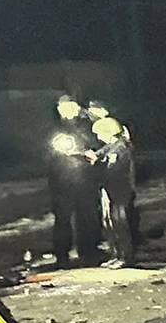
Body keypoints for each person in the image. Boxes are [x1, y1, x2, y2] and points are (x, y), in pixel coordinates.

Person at [46, 94, 102, 265]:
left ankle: (89, 251)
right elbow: (46, 153)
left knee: (87, 216)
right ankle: (62, 254)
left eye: (71, 107)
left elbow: (96, 144)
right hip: (61, 180)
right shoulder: (53, 128)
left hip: (85, 178)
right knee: (63, 218)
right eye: (64, 108)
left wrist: (87, 152)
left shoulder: (87, 125)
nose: (69, 111)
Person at [91, 116, 136, 266]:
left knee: (119, 223)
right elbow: (100, 154)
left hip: (119, 190)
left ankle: (125, 257)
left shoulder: (120, 148)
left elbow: (113, 170)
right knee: (109, 223)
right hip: (109, 190)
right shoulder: (110, 147)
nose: (98, 136)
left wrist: (97, 165)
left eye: (99, 133)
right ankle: (115, 254)